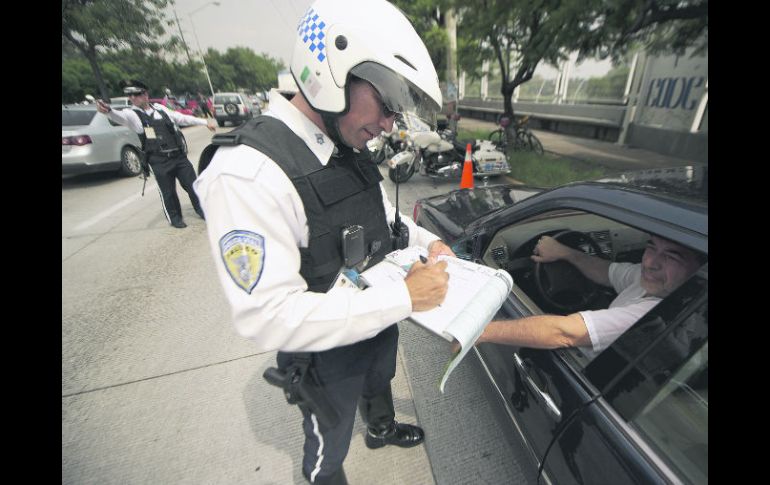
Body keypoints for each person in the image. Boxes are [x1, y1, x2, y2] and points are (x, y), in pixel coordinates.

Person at [193, 1, 454, 483]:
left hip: (376, 315)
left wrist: (430, 241)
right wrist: (404, 297)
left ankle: (380, 426)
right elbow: (269, 317)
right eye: (388, 102)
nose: (390, 125)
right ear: (334, 70)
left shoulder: (343, 144)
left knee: (380, 379)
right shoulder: (248, 173)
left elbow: (383, 216)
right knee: (326, 450)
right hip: (323, 352)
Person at [473, 234, 704, 359]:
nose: (649, 263)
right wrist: (563, 252)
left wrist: (475, 332)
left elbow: (563, 332)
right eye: (651, 247)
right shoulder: (655, 282)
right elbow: (608, 272)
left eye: (672, 257)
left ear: (699, 270)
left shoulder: (654, 315)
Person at [95, 79, 216, 229]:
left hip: (178, 156)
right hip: (159, 160)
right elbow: (119, 116)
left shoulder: (160, 109)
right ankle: (175, 218)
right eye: (130, 95)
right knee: (168, 192)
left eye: (136, 94)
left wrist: (205, 122)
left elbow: (181, 117)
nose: (133, 98)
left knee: (193, 185)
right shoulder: (132, 114)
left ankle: (202, 210)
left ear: (145, 94)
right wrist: (108, 111)